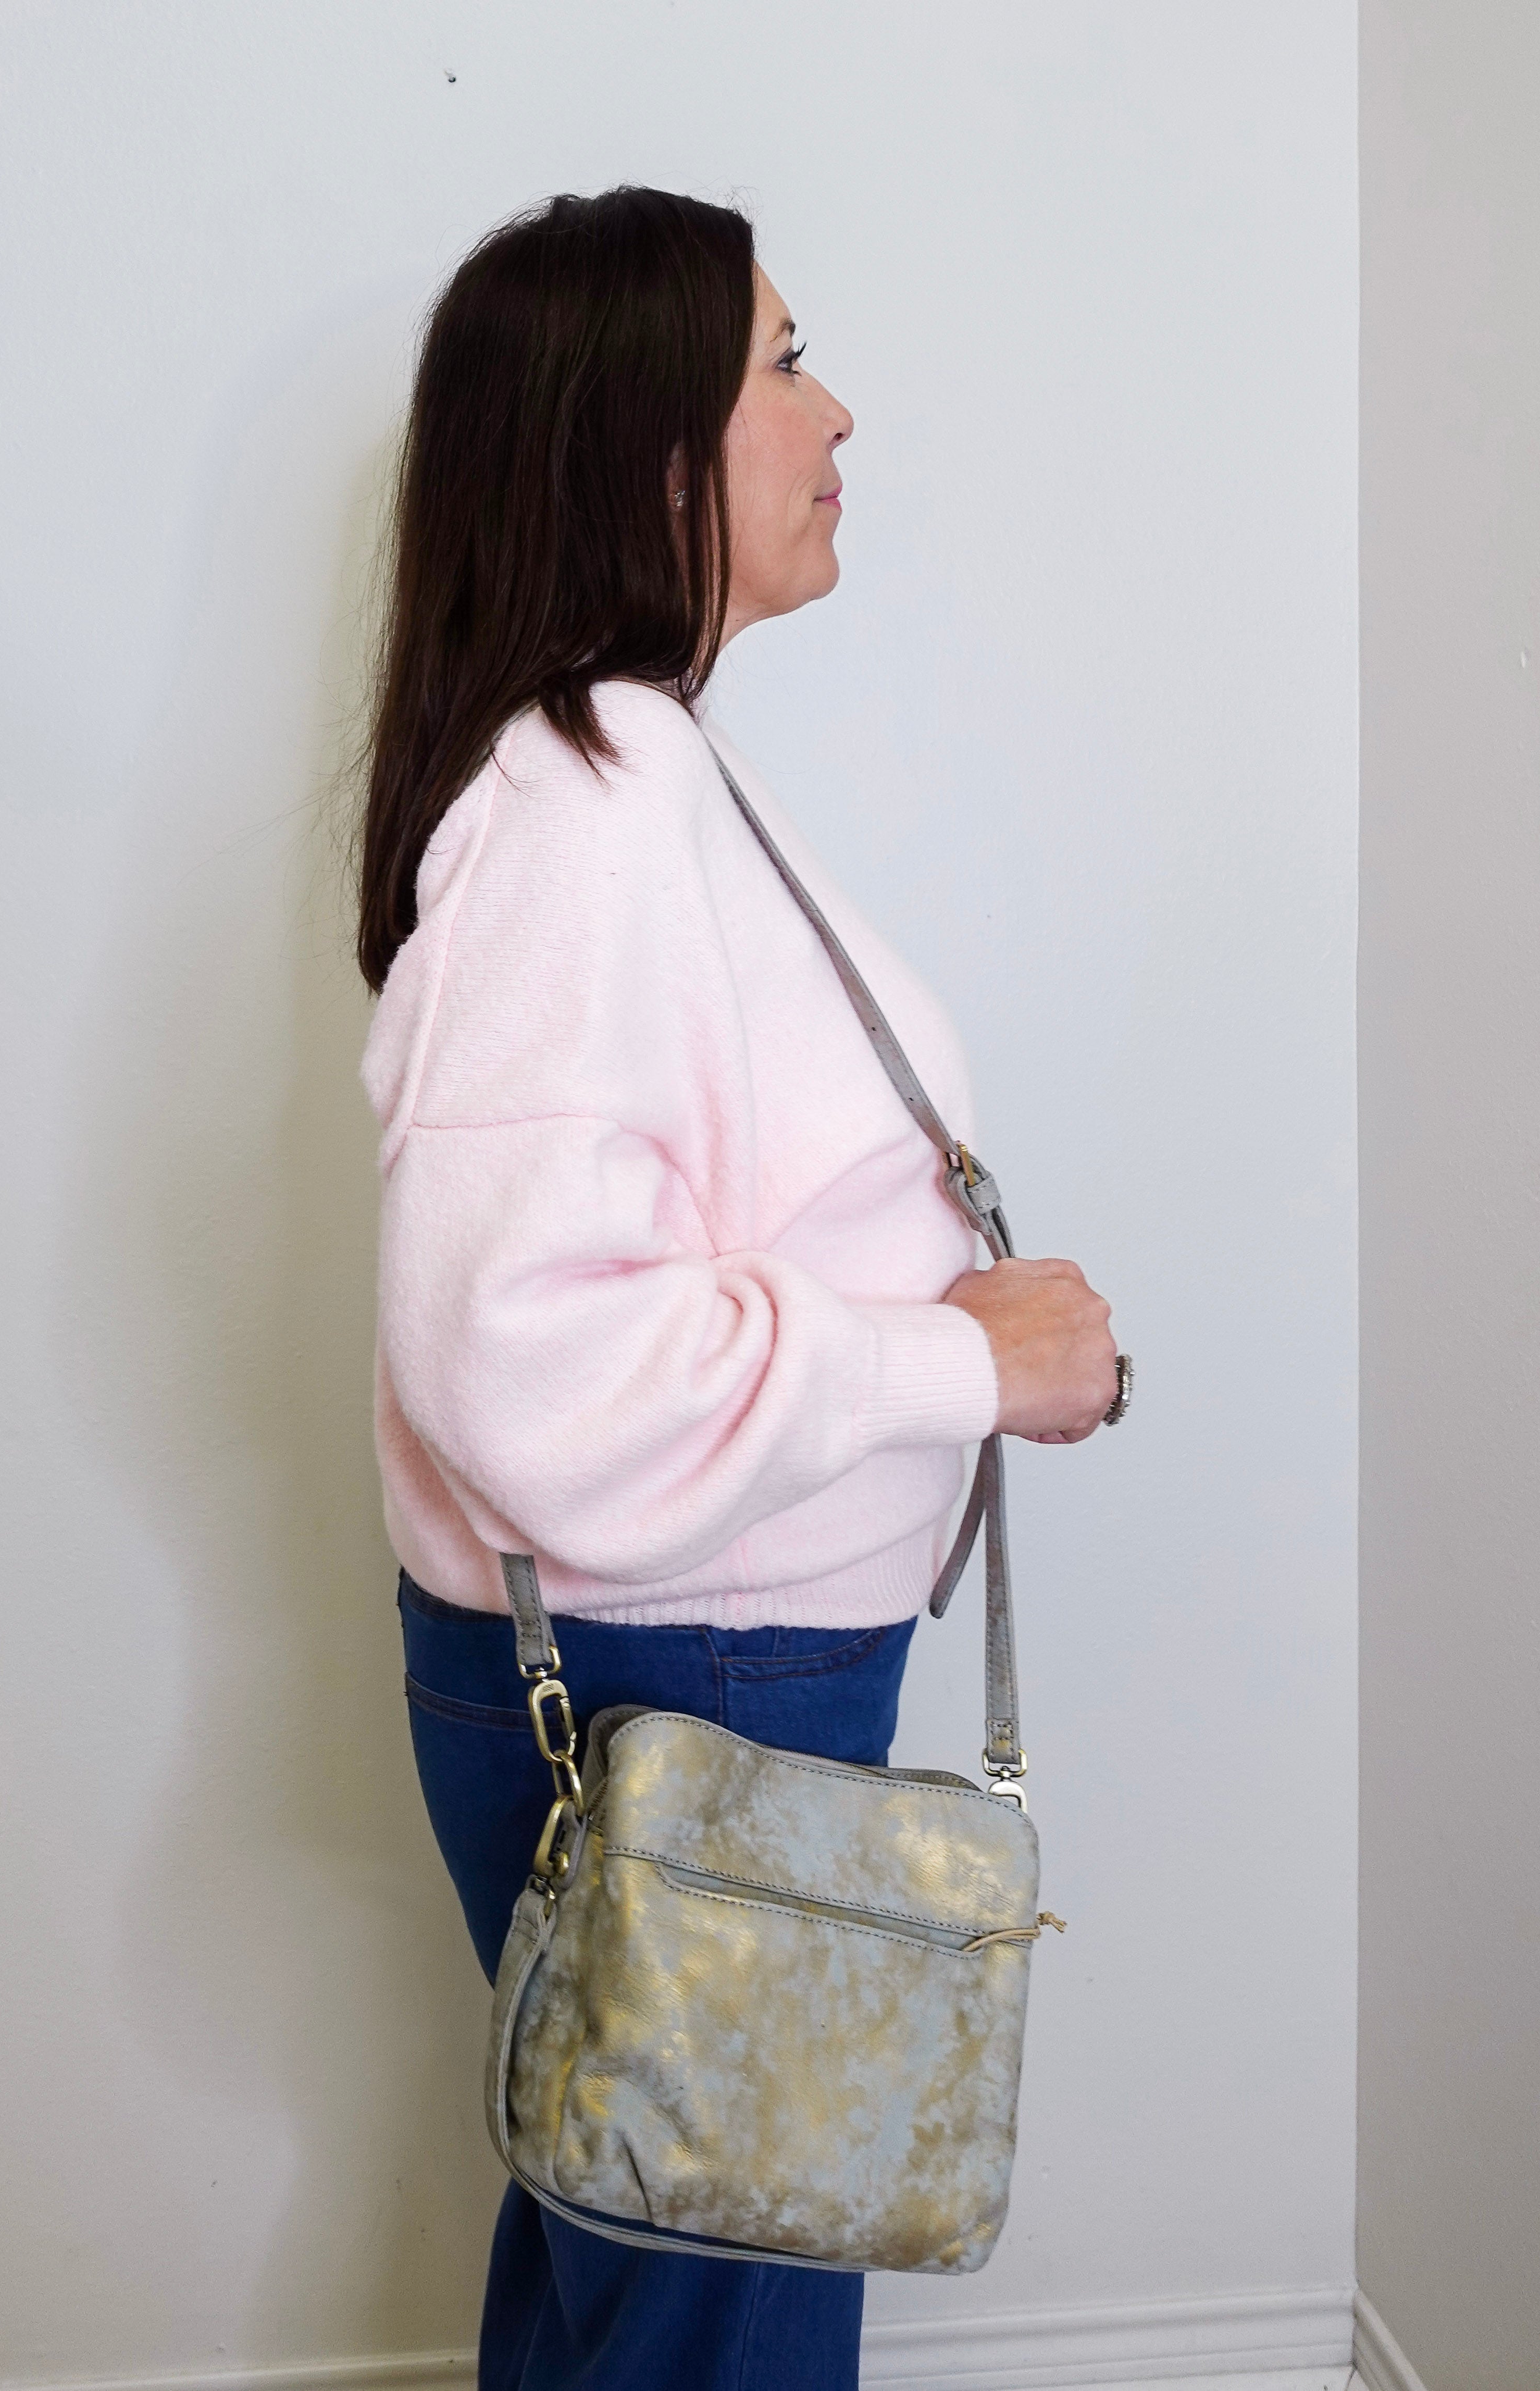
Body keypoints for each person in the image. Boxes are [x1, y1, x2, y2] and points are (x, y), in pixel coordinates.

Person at [355, 187, 1117, 2391]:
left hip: (698, 1677)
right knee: (713, 2340)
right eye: (783, 362)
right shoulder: (585, 809)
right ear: (646, 444)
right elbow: (525, 1352)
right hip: (691, 1682)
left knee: (639, 2284)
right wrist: (951, 1363)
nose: (836, 409)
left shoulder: (630, 771)